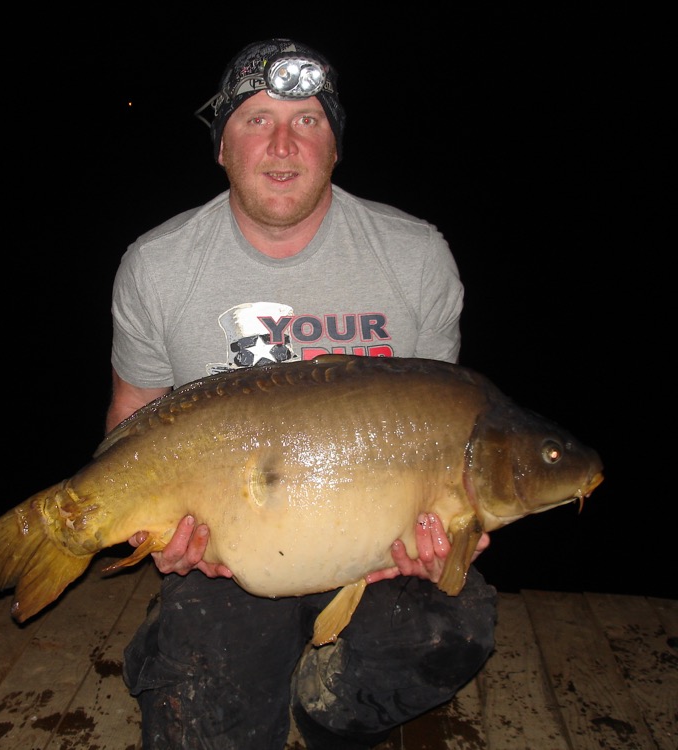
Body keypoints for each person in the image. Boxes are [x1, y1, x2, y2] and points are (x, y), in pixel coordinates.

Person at [106, 38, 497, 750]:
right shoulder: (158, 266)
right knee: (206, 729)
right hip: (224, 547)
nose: (282, 143)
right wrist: (150, 533)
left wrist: (449, 523)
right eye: (255, 120)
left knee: (450, 631)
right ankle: (173, 644)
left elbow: (440, 426)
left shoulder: (414, 256)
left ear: (336, 147)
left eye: (308, 121)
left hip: (371, 547)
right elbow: (134, 412)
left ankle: (327, 711)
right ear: (220, 146)